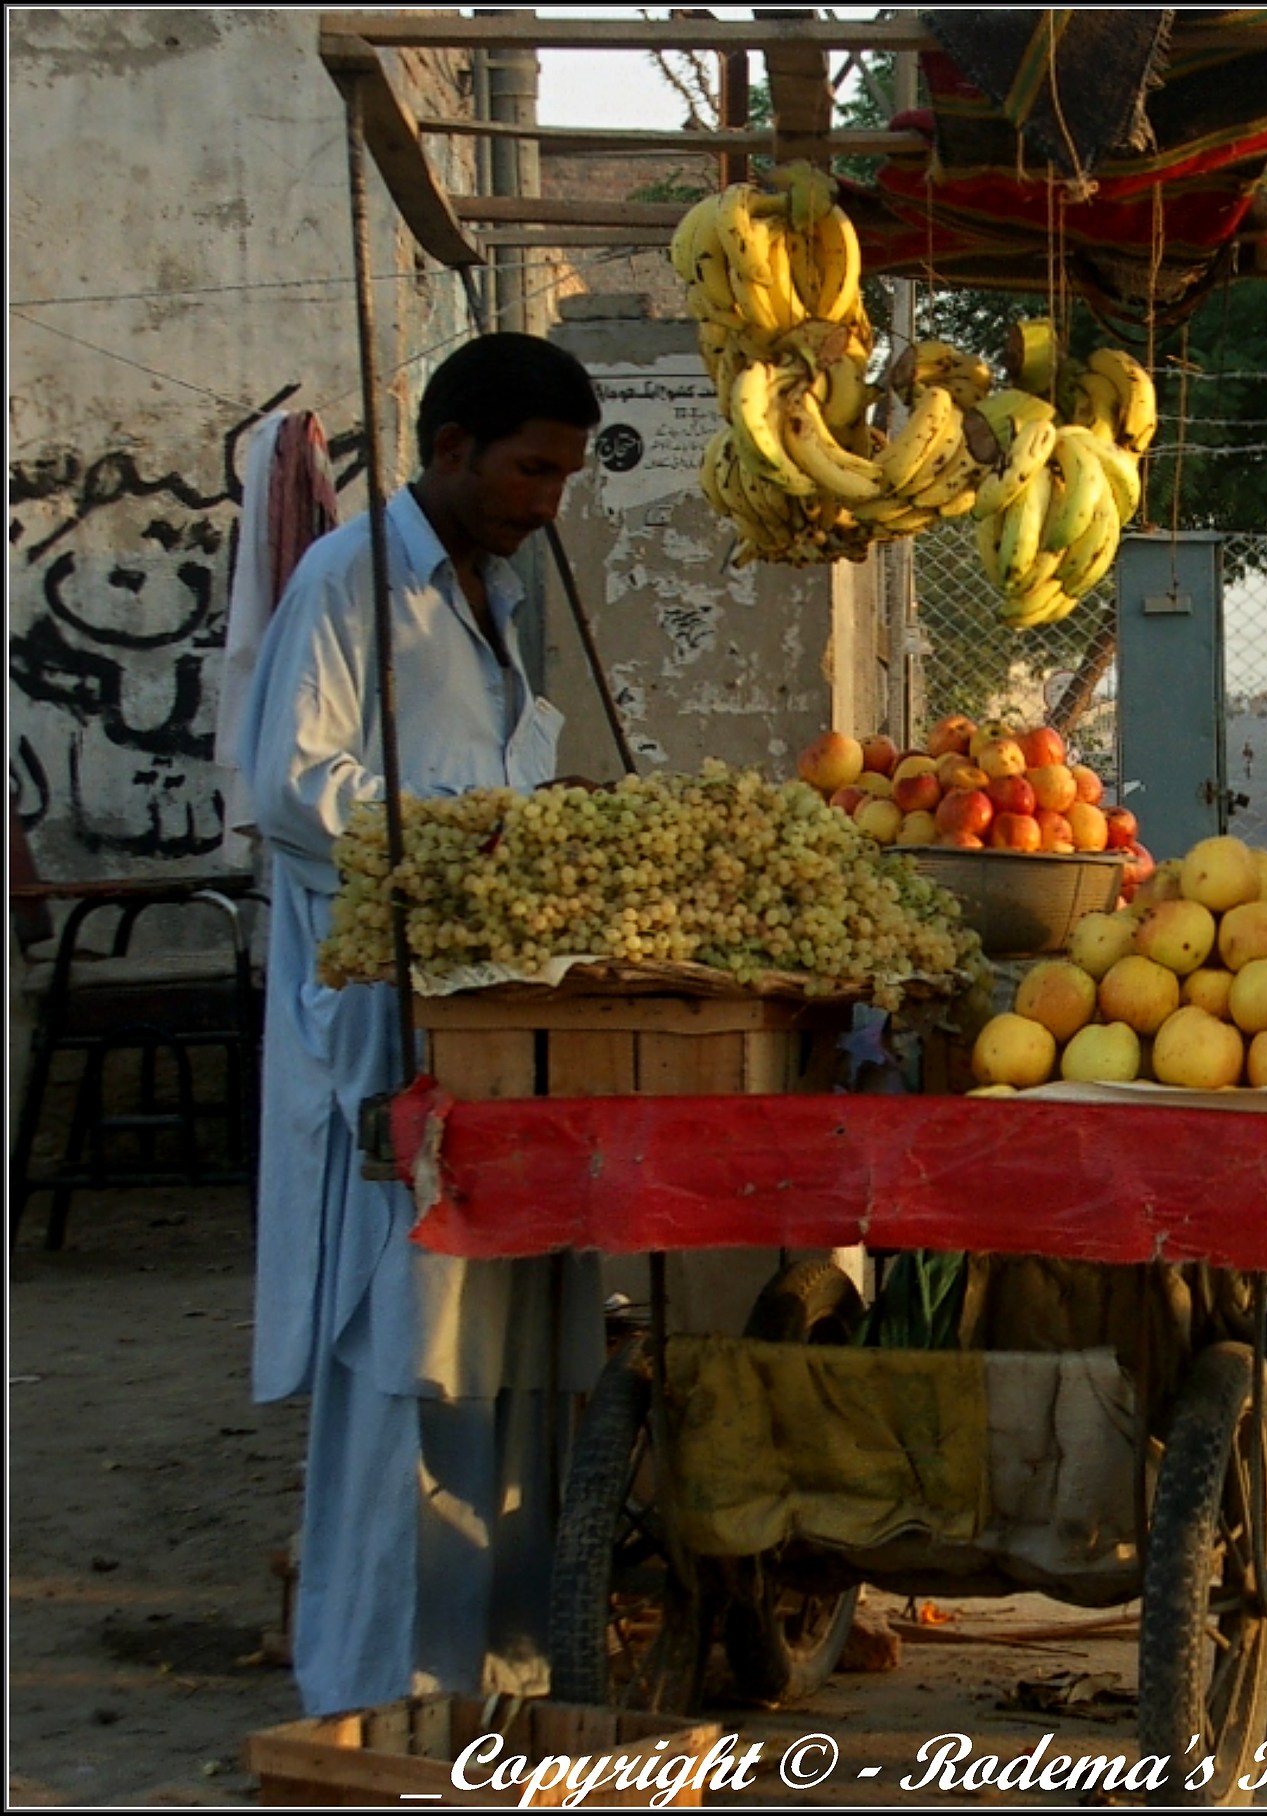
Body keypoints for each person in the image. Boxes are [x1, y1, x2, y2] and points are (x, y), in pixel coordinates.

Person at [234, 332, 607, 1715]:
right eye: (530, 468)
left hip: (485, 1015)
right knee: (406, 1364)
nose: (548, 499)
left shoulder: (488, 587)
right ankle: (370, 1688)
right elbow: (289, 791)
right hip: (384, 1030)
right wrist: (471, 839)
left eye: (564, 475)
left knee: (499, 1371)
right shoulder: (349, 583)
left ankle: (493, 1672)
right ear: (449, 448)